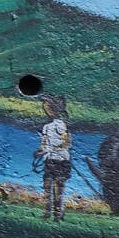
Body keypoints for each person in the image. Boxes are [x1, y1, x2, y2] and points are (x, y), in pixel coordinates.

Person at [34, 93, 71, 222]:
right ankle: (47, 211)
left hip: (61, 160)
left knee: (59, 187)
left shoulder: (62, 125)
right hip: (49, 160)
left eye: (49, 108)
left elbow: (66, 143)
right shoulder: (46, 127)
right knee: (47, 186)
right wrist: (40, 151)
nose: (47, 111)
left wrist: (50, 149)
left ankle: (58, 213)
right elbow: (44, 143)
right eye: (46, 108)